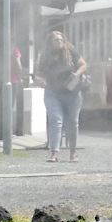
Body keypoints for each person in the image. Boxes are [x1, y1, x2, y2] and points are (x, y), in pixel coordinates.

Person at [34, 31, 87, 163]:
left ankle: (73, 152)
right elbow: (39, 73)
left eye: (61, 40)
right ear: (49, 43)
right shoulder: (45, 56)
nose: (59, 42)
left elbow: (83, 65)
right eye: (56, 40)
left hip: (72, 91)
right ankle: (54, 153)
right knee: (55, 121)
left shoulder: (71, 52)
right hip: (53, 92)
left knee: (72, 122)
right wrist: (39, 80)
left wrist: (76, 74)